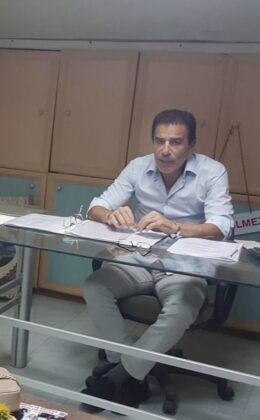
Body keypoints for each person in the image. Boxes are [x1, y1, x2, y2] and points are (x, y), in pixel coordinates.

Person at [81, 109, 234, 409]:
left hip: (184, 266)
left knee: (182, 308)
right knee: (95, 286)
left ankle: (118, 378)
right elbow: (96, 205)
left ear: (191, 144)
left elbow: (221, 226)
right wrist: (110, 215)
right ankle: (130, 372)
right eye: (159, 141)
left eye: (175, 142)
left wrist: (176, 227)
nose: (165, 150)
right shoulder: (138, 166)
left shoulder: (212, 171)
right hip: (138, 258)